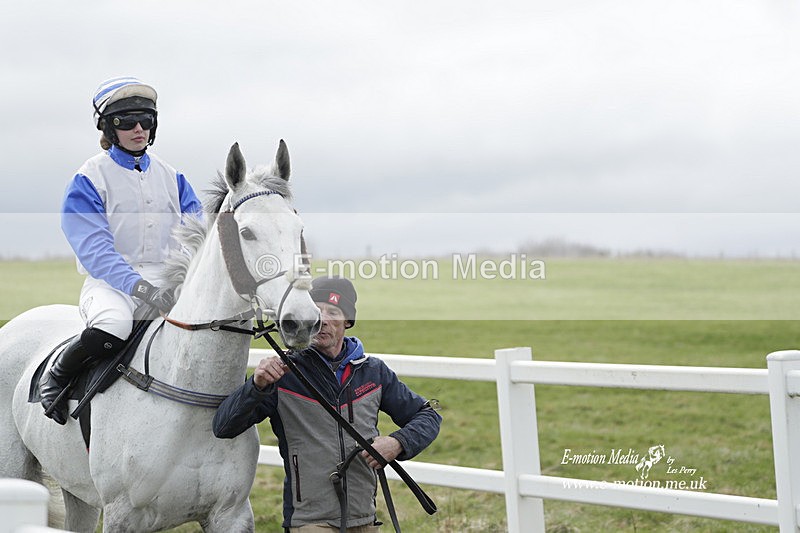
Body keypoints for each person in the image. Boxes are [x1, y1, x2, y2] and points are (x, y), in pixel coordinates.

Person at [213, 276, 442, 532]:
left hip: (365, 517)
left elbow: (429, 415)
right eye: (316, 311)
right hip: (309, 520)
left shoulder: (374, 372)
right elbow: (223, 426)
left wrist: (398, 443)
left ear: (348, 321)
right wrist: (256, 386)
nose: (322, 319)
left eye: (333, 312)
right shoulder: (283, 374)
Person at [40, 76, 202, 424]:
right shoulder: (88, 179)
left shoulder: (173, 177)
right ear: (108, 128)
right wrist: (142, 289)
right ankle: (57, 374)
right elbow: (96, 251)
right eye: (126, 122)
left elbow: (197, 234)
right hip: (110, 284)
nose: (138, 129)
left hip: (169, 281)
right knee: (114, 326)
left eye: (146, 120)